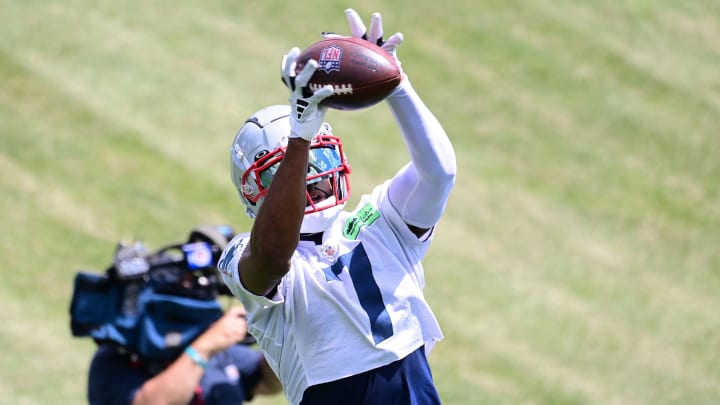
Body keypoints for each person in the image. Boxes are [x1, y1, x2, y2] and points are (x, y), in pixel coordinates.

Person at [218, 8, 456, 405]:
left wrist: (398, 87)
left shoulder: (379, 221)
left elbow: (439, 173)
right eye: (283, 172)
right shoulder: (244, 254)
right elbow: (274, 256)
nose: (311, 175)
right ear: (256, 191)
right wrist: (299, 138)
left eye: (317, 159)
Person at [79, 226, 282, 405]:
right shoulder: (114, 360)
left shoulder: (212, 342)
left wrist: (276, 330)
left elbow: (267, 381)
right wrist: (203, 349)